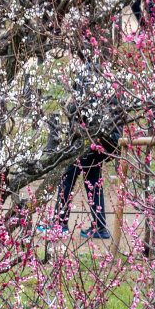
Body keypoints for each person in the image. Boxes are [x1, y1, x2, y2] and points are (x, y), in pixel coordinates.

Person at [43, 65, 123, 239]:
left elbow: (77, 111)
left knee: (68, 176)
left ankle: (59, 224)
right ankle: (100, 227)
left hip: (91, 139)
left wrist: (70, 104)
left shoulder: (85, 76)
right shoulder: (107, 76)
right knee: (93, 179)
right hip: (108, 139)